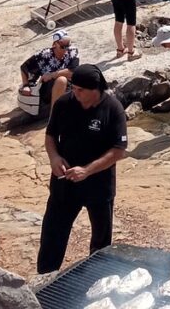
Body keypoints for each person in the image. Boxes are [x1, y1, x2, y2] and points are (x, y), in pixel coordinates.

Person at [37, 64, 128, 274]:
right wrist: (54, 157)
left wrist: (87, 170)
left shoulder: (112, 109)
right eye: (73, 88)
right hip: (65, 182)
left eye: (80, 90)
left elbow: (119, 150)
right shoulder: (64, 103)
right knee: (53, 233)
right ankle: (44, 277)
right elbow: (50, 135)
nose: (75, 93)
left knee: (101, 239)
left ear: (95, 89)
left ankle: (97, 277)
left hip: (98, 184)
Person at [20, 29, 80, 111]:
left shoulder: (72, 51)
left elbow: (73, 71)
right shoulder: (44, 54)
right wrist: (25, 85)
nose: (66, 48)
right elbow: (24, 67)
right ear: (55, 44)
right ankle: (54, 115)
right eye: (62, 45)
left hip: (69, 86)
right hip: (49, 90)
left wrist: (52, 74)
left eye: (68, 44)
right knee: (62, 80)